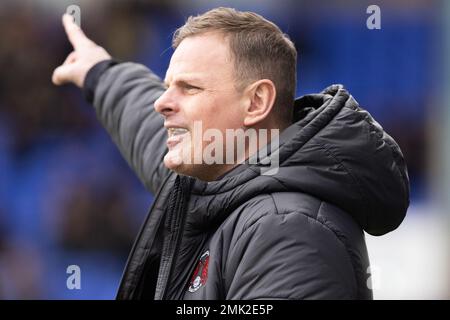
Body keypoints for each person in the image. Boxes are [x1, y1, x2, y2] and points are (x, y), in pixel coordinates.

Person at [52, 7, 409, 300]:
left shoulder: (287, 229)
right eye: (166, 87)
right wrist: (99, 73)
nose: (162, 103)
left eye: (188, 88)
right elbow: (145, 127)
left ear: (256, 102)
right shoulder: (218, 181)